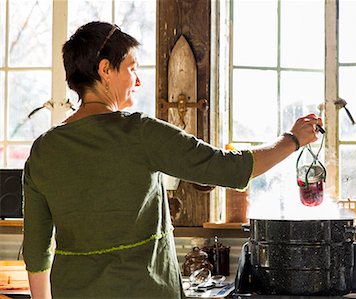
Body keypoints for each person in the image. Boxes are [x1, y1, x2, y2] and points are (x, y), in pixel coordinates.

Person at [22, 21, 323, 299]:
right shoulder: (139, 133)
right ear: (105, 69)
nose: (137, 81)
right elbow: (229, 169)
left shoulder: (43, 150)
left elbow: (36, 251)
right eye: (131, 68)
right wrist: (293, 140)